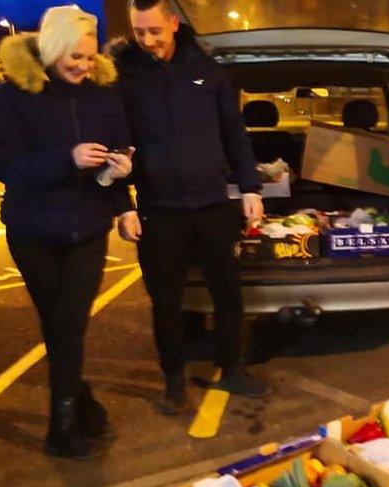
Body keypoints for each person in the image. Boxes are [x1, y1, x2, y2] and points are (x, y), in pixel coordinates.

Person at [0, 5, 134, 460]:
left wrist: (119, 179)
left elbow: (116, 156)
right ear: (52, 49)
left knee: (69, 325)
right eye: (75, 57)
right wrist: (64, 159)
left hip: (87, 227)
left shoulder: (103, 95)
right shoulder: (13, 96)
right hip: (34, 232)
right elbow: (2, 164)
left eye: (90, 57)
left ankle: (61, 427)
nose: (84, 66)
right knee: (61, 327)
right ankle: (78, 406)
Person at [111, 0, 265, 414]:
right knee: (166, 302)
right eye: (139, 32)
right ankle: (173, 379)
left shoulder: (207, 71)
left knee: (228, 294)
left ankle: (231, 366)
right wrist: (123, 204)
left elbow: (234, 134)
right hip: (158, 212)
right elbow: (115, 143)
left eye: (154, 31)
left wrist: (250, 186)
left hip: (213, 204)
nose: (147, 40)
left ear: (174, 25)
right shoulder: (124, 77)